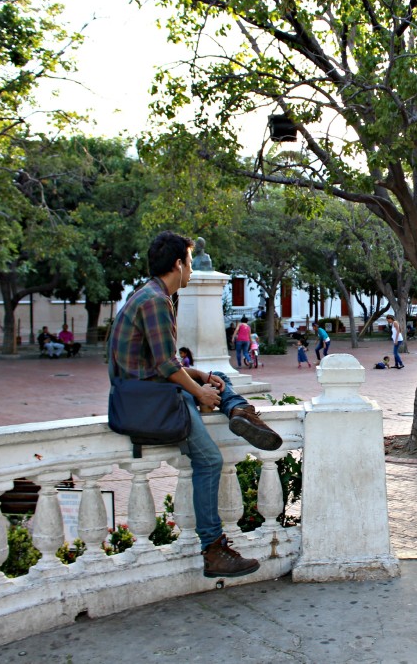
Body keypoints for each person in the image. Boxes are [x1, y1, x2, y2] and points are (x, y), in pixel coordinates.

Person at [107, 230, 282, 578]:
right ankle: (213, 550)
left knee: (217, 375)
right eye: (188, 261)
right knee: (209, 460)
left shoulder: (147, 294)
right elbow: (166, 366)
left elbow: (163, 362)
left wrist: (200, 377)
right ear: (178, 263)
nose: (191, 269)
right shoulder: (156, 300)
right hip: (151, 403)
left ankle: (238, 411)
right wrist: (199, 392)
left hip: (149, 392)